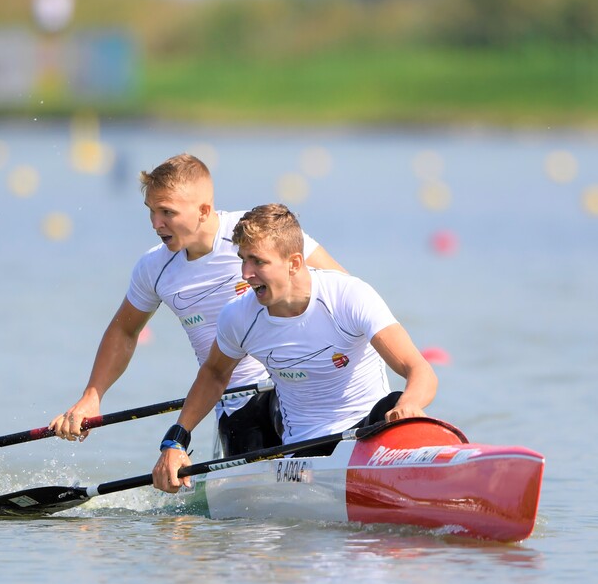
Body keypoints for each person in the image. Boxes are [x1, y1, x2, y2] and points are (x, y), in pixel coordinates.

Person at [50, 154, 345, 457]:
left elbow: (342, 288)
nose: (155, 223)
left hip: (299, 380)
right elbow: (125, 331)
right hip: (238, 399)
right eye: (151, 211)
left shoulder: (259, 235)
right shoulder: (154, 268)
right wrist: (92, 396)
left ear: (204, 210)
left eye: (167, 212)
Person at [151, 203, 437, 493]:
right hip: (306, 456)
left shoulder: (349, 296)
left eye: (257, 262)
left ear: (295, 263)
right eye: (242, 260)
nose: (245, 274)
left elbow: (418, 369)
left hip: (369, 434)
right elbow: (213, 374)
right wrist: (176, 441)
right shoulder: (239, 316)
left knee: (395, 402)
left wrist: (409, 405)